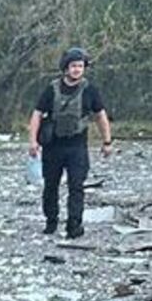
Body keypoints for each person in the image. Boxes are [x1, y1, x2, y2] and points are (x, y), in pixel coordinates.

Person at [28, 47, 113, 239]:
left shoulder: (90, 89)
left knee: (77, 186)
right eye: (73, 66)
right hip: (53, 146)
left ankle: (74, 224)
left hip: (77, 146)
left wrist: (107, 142)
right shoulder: (52, 89)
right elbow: (37, 114)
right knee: (51, 186)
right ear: (65, 68)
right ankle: (51, 221)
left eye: (80, 66)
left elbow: (100, 116)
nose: (77, 69)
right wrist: (33, 141)